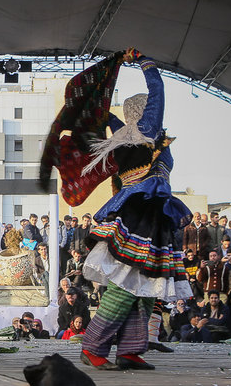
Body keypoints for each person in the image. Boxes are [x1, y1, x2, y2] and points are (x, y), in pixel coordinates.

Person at [77, 50, 192, 370]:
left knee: (145, 288)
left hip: (146, 215)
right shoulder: (146, 130)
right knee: (128, 286)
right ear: (144, 113)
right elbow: (159, 90)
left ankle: (129, 351)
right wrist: (144, 62)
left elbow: (105, 118)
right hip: (141, 217)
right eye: (149, 109)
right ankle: (94, 347)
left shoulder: (123, 136)